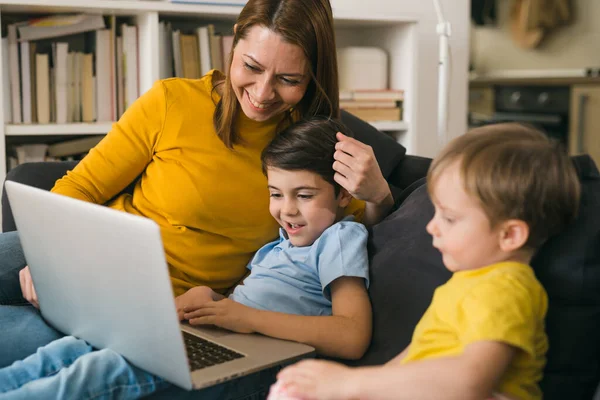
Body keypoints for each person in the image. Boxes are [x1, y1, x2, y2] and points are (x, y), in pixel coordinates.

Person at [0, 0, 393, 371]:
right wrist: (45, 253)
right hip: (88, 252)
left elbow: (348, 236)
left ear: (313, 76)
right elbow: (79, 187)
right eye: (251, 67)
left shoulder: (314, 144)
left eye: (288, 79)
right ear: (234, 40)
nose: (262, 93)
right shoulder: (173, 101)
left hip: (157, 309)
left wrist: (380, 195)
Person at [0, 117, 373, 399]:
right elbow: (254, 304)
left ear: (343, 196)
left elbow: (352, 335)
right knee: (72, 349)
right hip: (222, 340)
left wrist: (244, 317)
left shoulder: (339, 237)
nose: (287, 210)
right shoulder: (283, 244)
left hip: (259, 366)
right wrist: (209, 298)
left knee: (102, 370)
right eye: (276, 194)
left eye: (304, 195)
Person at [269, 123, 581, 400]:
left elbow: (470, 382)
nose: (431, 226)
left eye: (449, 218)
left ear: (510, 235)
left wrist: (350, 384)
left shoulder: (505, 289)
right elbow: (412, 360)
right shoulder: (468, 283)